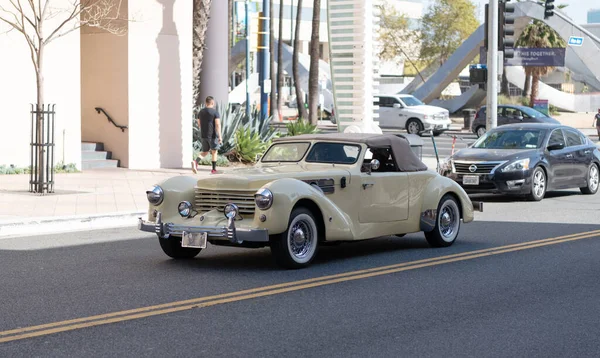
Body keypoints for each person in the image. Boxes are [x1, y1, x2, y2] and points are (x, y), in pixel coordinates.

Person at [192, 96, 222, 174]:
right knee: (214, 152)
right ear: (212, 103)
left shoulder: (201, 112)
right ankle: (214, 169)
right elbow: (218, 125)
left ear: (206, 103)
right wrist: (220, 136)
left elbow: (199, 124)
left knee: (205, 152)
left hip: (203, 135)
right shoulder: (215, 112)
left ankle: (195, 161)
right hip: (212, 135)